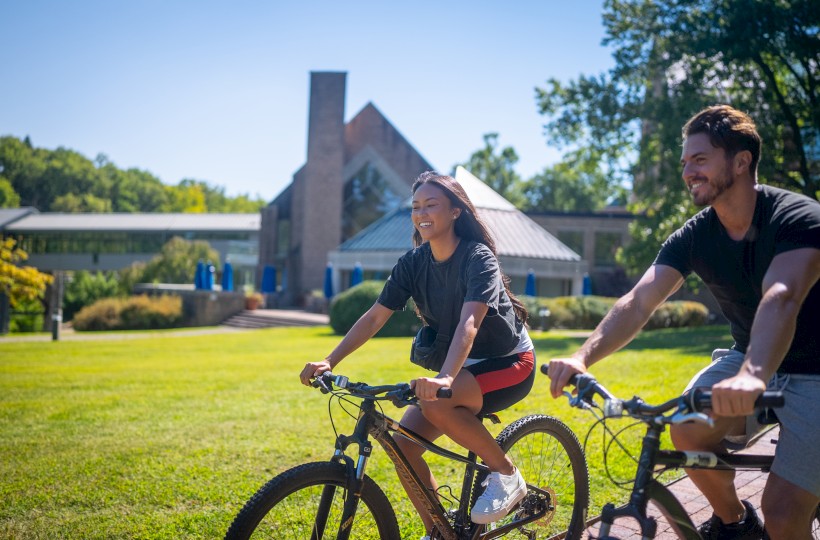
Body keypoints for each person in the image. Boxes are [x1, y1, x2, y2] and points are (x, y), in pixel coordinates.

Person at [547, 105, 820, 540]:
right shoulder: (695, 235)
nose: (688, 171)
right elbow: (639, 301)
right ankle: (736, 524)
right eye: (684, 162)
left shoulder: (798, 218)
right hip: (748, 357)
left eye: (700, 159)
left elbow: (781, 296)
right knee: (686, 429)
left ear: (741, 161)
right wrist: (582, 356)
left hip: (814, 373)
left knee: (786, 515)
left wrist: (752, 376)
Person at [300, 171, 536, 538]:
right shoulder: (413, 262)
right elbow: (376, 315)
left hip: (508, 362)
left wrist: (444, 379)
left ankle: (507, 475)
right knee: (404, 449)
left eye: (431, 205)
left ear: (457, 211)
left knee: (437, 404)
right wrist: (331, 360)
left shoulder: (478, 257)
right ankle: (440, 531)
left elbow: (469, 324)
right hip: (461, 366)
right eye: (415, 207)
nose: (421, 213)